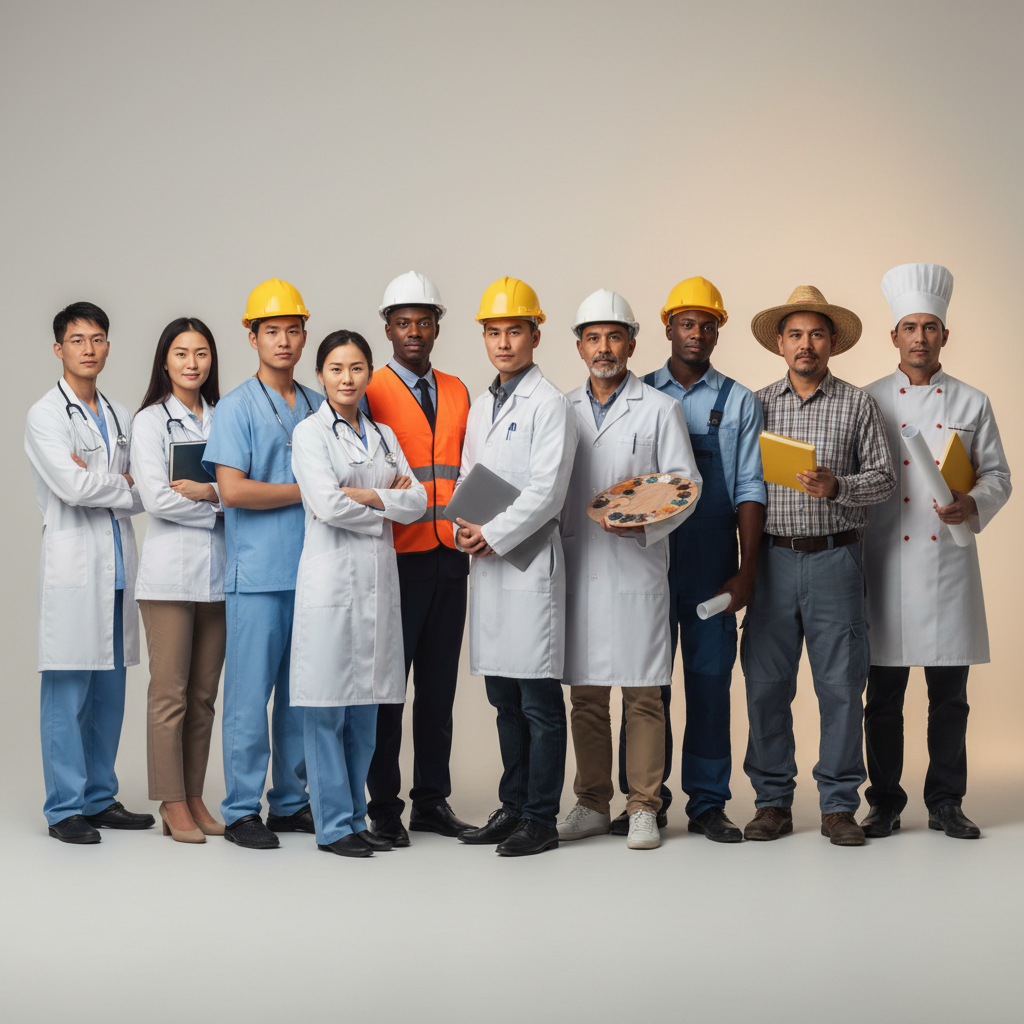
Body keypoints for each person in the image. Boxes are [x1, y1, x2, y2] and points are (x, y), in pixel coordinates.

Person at [613, 277, 766, 844]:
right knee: (643, 684)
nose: (696, 333)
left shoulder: (739, 400)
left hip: (709, 560)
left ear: (718, 330)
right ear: (667, 328)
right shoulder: (639, 394)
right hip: (646, 559)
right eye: (686, 323)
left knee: (707, 682)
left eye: (706, 324)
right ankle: (642, 802)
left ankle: (707, 803)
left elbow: (750, 488)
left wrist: (747, 570)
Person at [860, 263, 1011, 840]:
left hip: (948, 563)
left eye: (930, 327)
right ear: (892, 336)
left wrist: (970, 504)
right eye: (909, 327)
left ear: (945, 335)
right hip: (886, 563)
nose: (920, 337)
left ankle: (947, 801)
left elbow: (998, 476)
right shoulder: (868, 399)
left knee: (950, 698)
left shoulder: (973, 402)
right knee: (884, 698)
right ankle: (885, 802)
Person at [741, 286, 895, 846]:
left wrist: (839, 486)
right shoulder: (753, 405)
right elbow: (740, 485)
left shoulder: (858, 404)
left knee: (840, 686)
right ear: (780, 343)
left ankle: (837, 806)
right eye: (796, 334)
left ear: (833, 343)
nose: (807, 344)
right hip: (771, 561)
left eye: (817, 334)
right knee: (765, 685)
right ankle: (772, 802)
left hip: (836, 556)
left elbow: (883, 479)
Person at [556, 290, 700, 851]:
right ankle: (592, 802)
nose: (603, 348)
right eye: (592, 338)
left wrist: (645, 525)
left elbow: (686, 486)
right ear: (579, 346)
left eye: (614, 336)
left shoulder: (659, 408)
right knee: (585, 697)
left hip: (637, 565)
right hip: (578, 565)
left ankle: (643, 804)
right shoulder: (559, 408)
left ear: (633, 344)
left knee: (644, 693)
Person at [455, 277, 580, 856]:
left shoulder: (550, 403)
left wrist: (492, 532)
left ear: (535, 333)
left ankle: (541, 818)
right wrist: (463, 525)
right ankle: (512, 805)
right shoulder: (484, 405)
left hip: (529, 567)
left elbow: (547, 493)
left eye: (513, 331)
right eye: (493, 332)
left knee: (537, 700)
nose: (503, 343)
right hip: (488, 564)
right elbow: (467, 478)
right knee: (503, 697)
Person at [290, 331, 427, 858]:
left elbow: (416, 501)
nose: (346, 379)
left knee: (366, 706)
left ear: (369, 373)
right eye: (335, 369)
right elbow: (325, 504)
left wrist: (369, 497)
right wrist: (385, 505)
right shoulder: (309, 433)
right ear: (321, 376)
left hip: (375, 586)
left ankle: (356, 816)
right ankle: (332, 825)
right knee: (327, 707)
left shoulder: (385, 435)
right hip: (330, 584)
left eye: (356, 368)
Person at [202, 278, 324, 849]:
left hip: (315, 572)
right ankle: (240, 809)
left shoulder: (322, 403)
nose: (283, 340)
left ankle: (291, 802)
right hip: (257, 575)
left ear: (304, 336)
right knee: (250, 698)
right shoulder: (236, 407)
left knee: (301, 696)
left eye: (292, 330)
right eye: (270, 330)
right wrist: (308, 490)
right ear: (251, 337)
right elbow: (233, 490)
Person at [25, 301, 153, 843]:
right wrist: (118, 483)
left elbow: (149, 489)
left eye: (97, 338)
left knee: (109, 694)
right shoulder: (45, 415)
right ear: (59, 349)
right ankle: (64, 809)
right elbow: (73, 489)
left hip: (120, 569)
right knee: (67, 692)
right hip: (76, 570)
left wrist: (109, 483)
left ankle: (100, 797)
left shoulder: (123, 414)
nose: (89, 349)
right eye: (77, 340)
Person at [362, 272, 476, 846]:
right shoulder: (369, 389)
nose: (414, 332)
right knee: (389, 689)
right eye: (403, 322)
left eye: (423, 322)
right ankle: (383, 806)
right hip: (397, 558)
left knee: (439, 689)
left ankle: (432, 801)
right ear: (387, 328)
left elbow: (474, 470)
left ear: (436, 326)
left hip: (451, 558)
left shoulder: (458, 389)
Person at [132, 317, 226, 843]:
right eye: (182, 353)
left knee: (204, 695)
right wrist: (220, 501)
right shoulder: (149, 422)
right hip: (168, 578)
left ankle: (193, 793)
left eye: (202, 354)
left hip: (217, 576)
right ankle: (171, 801)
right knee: (170, 693)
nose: (192, 364)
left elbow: (234, 490)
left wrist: (209, 493)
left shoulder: (223, 417)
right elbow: (158, 499)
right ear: (165, 360)